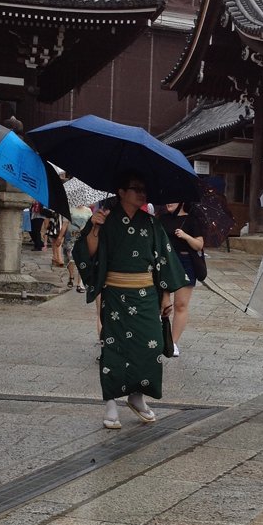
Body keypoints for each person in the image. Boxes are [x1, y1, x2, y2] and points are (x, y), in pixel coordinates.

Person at [74, 172, 188, 429]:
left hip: (147, 294)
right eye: (135, 188)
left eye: (143, 189)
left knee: (151, 346)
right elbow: (86, 253)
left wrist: (166, 294)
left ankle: (137, 396)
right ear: (121, 192)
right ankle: (112, 402)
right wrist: (94, 227)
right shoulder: (104, 220)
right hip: (115, 294)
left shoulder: (152, 223)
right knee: (114, 347)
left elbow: (164, 261)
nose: (141, 193)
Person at [158, 201, 204, 355]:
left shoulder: (192, 220)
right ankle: (158, 338)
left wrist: (185, 236)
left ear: (182, 202)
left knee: (180, 304)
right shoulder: (162, 219)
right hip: (165, 263)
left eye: (173, 200)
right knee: (162, 304)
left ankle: (173, 342)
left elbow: (199, 245)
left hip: (185, 263)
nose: (169, 203)